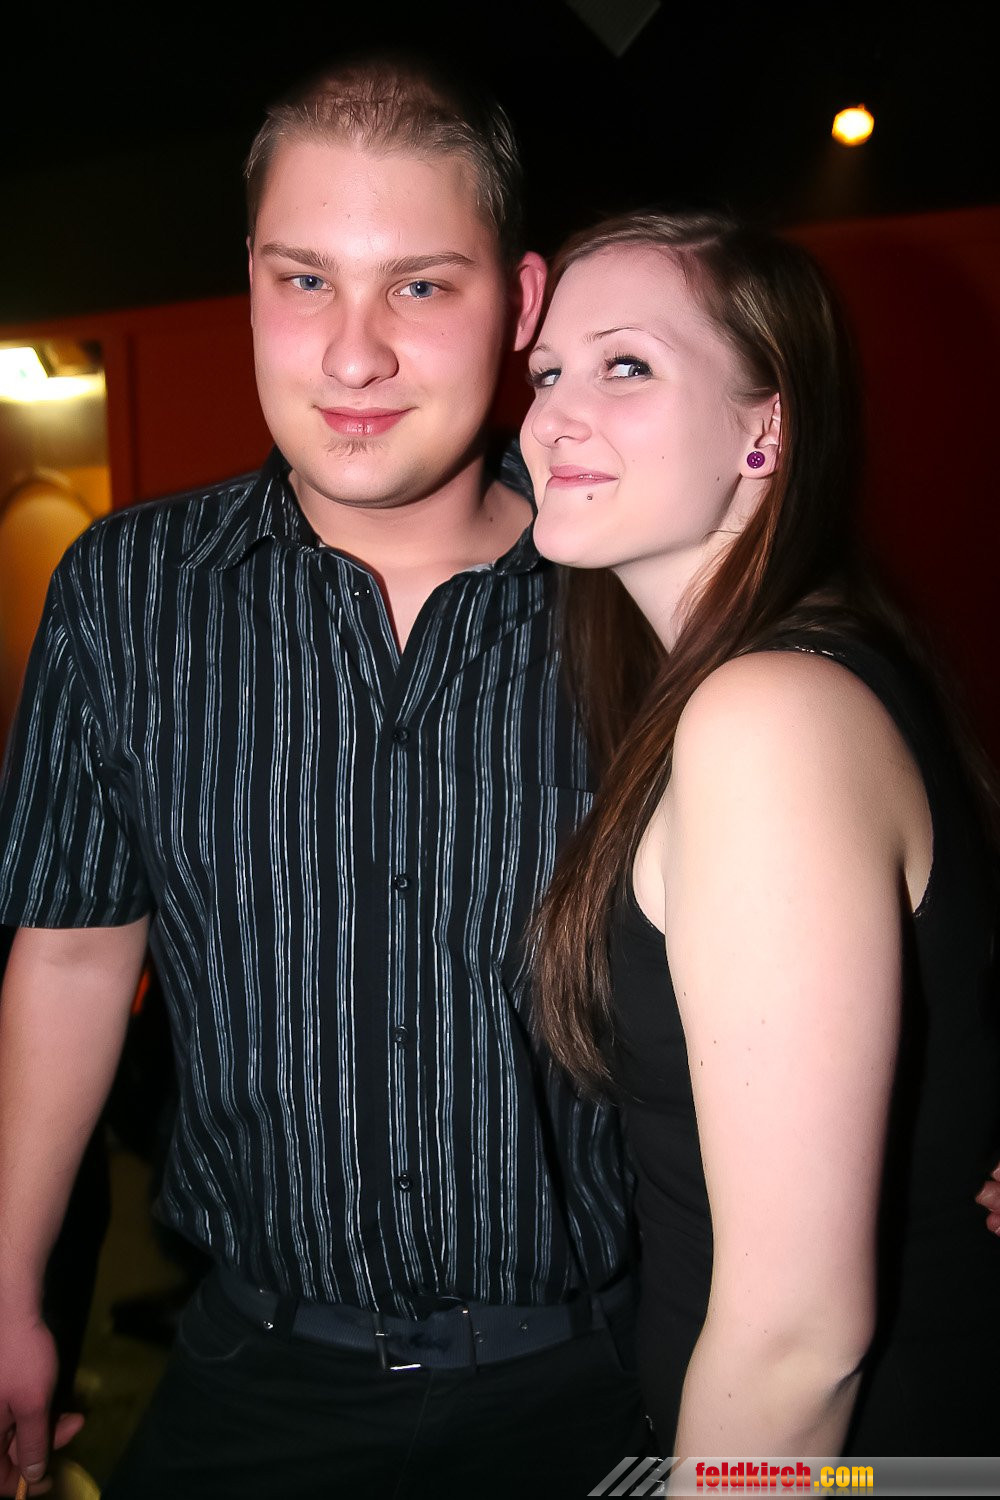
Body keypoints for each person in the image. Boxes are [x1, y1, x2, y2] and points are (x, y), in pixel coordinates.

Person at [0, 56, 649, 1499]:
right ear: (249, 282)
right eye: (305, 281)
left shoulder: (649, 591)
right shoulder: (124, 595)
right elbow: (75, 956)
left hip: (607, 1383)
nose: (353, 357)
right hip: (255, 1379)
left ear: (521, 302)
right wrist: (8, 1293)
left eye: (419, 286)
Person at [521, 210, 1000, 1457]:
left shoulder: (768, 715)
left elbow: (796, 1338)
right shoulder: (791, 676)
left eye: (626, 365)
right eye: (547, 372)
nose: (552, 416)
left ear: (765, 429)